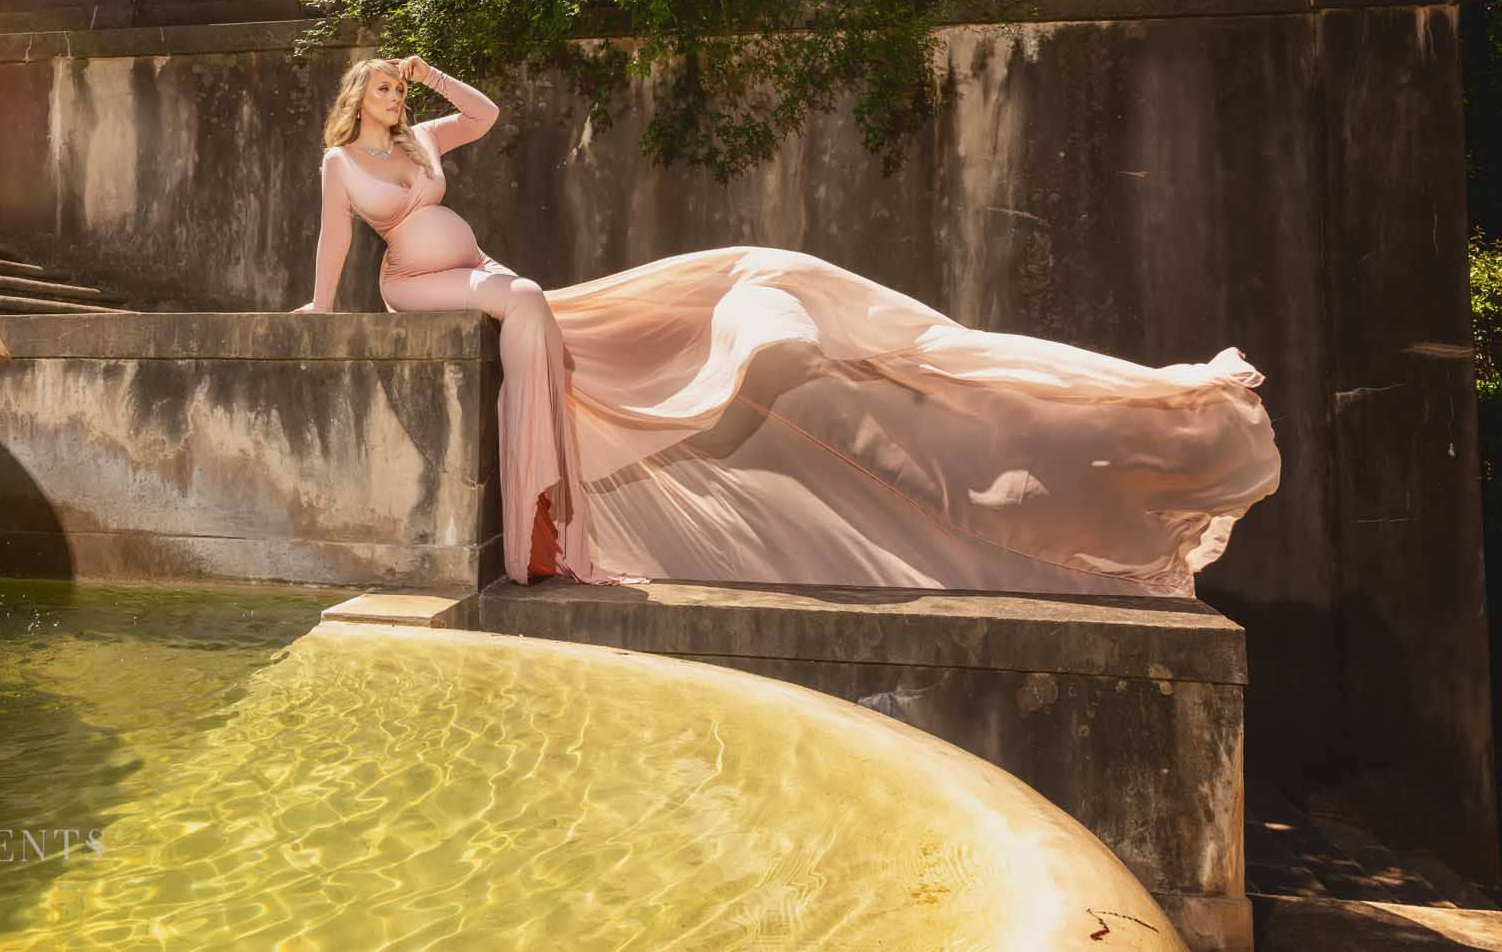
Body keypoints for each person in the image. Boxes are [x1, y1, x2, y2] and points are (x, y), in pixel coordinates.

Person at [294, 54, 1283, 596]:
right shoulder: (346, 164)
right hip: (413, 287)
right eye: (381, 83)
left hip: (473, 268)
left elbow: (488, 109)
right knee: (519, 302)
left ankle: (554, 484)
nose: (392, 94)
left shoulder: (421, 134)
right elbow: (340, 242)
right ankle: (540, 524)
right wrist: (316, 307)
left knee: (534, 304)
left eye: (394, 84)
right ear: (355, 100)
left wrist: (429, 78)